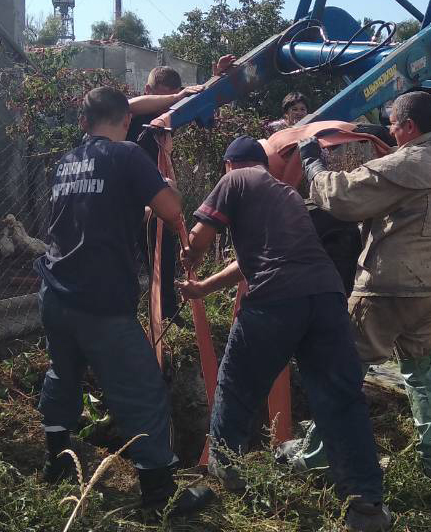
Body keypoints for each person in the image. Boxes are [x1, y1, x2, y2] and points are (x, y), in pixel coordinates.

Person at [177, 136, 391, 532]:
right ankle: (366, 506)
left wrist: (186, 248)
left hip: (276, 299)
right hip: (325, 297)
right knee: (342, 399)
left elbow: (198, 241)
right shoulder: (285, 194)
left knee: (237, 385)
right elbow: (250, 260)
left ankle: (227, 474)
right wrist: (205, 287)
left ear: (230, 164)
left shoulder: (235, 180)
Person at [35, 86, 213, 516]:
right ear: (127, 122)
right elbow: (171, 206)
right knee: (141, 390)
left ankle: (56, 458)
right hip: (101, 302)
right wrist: (167, 186)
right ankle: (160, 495)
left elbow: (93, 207)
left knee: (65, 372)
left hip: (54, 293)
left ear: (82, 123)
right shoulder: (128, 156)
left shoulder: (63, 163)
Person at [283, 90, 431, 485]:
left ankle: (317, 455)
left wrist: (312, 165)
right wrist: (378, 131)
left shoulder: (407, 163)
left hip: (389, 286)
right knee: (422, 372)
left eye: (394, 125)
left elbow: (344, 198)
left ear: (410, 128)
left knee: (343, 371)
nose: (391, 132)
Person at [127, 59, 233, 321]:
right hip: (126, 198)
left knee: (163, 257)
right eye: (162, 97)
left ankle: (166, 312)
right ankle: (128, 315)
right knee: (123, 258)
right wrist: (174, 97)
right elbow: (129, 104)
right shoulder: (133, 113)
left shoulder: (168, 117)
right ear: (148, 91)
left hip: (155, 198)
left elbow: (198, 101)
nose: (167, 104)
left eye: (171, 97)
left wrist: (215, 77)